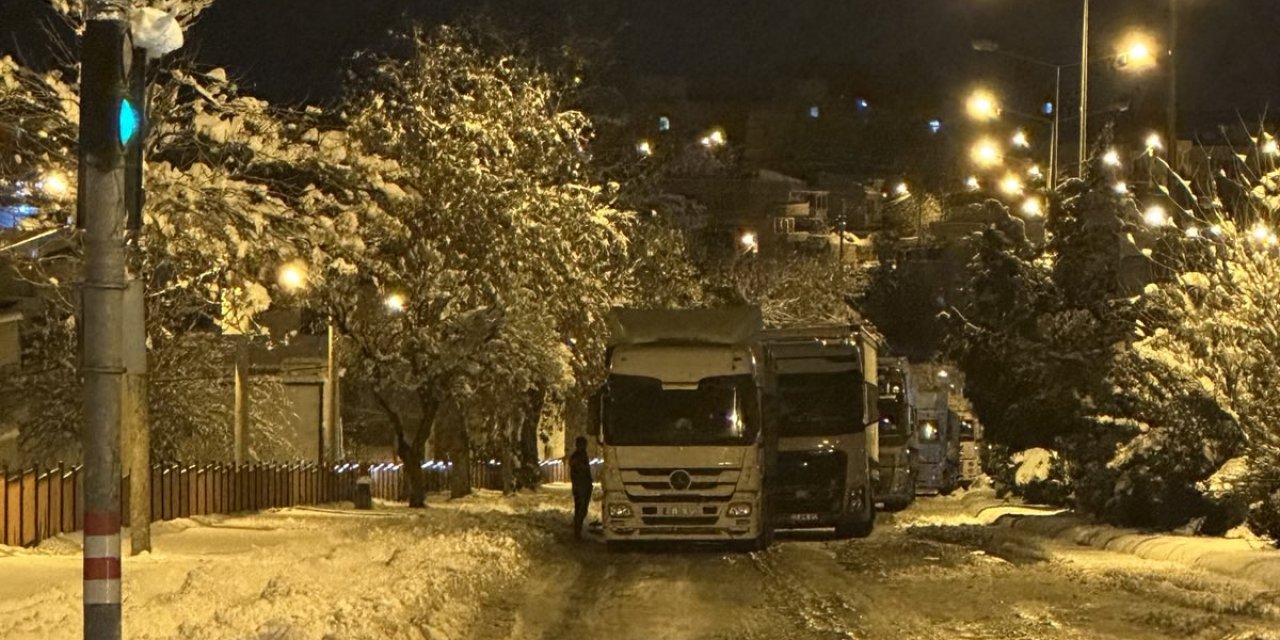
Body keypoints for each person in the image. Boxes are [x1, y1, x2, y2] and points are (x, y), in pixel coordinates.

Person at [569, 435, 594, 540]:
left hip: (584, 485)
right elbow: (579, 469)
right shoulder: (577, 456)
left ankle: (578, 530)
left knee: (581, 509)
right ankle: (577, 531)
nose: (584, 446)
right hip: (580, 486)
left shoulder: (582, 455)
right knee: (580, 509)